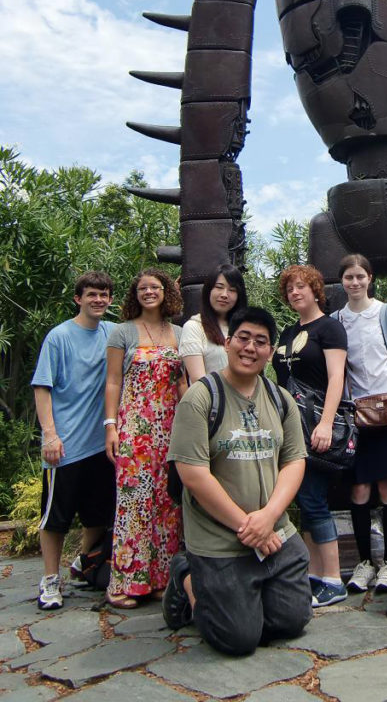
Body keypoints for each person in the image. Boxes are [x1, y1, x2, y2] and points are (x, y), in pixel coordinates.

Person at [162, 306, 311, 653]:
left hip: (273, 532)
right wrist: (248, 526)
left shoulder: (279, 398)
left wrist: (269, 518)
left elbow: (294, 461)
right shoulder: (201, 398)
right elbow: (193, 476)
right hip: (220, 537)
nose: (250, 348)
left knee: (290, 623)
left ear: (270, 353)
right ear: (227, 343)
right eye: (243, 338)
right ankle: (186, 576)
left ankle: (243, 595)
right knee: (237, 640)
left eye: (261, 342)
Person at [31, 271, 117, 610]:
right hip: (64, 448)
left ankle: (84, 561)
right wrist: (50, 435)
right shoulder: (59, 337)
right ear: (78, 299)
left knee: (98, 515)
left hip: (101, 444)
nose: (99, 300)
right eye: (92, 294)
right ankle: (51, 580)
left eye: (105, 294)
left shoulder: (112, 333)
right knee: (56, 519)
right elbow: (42, 387)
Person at [334, 254, 387, 594]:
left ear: (369, 278)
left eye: (359, 276)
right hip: (357, 413)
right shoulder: (336, 320)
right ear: (342, 281)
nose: (354, 283)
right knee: (359, 489)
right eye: (348, 278)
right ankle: (366, 562)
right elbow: (338, 369)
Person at [104, 268, 184, 608]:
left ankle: (159, 580)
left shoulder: (179, 332)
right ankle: (123, 583)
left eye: (155, 287)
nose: (149, 292)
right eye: (142, 289)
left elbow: (183, 382)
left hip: (172, 427)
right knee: (133, 504)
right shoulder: (122, 332)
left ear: (166, 292)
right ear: (134, 295)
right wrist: (110, 425)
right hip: (134, 428)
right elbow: (112, 382)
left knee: (168, 504)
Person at [272, 264, 348, 607]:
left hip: (316, 423)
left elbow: (336, 378)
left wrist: (327, 423)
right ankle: (314, 573)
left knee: (315, 497)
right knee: (303, 500)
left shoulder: (330, 328)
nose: (295, 293)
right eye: (290, 289)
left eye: (301, 286)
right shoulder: (287, 333)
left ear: (316, 289)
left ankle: (333, 578)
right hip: (289, 426)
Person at [178, 263, 248, 381]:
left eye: (232, 290)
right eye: (219, 287)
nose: (224, 295)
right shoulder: (194, 327)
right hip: (212, 397)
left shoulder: (245, 327)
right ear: (208, 290)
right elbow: (198, 380)